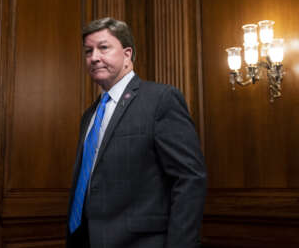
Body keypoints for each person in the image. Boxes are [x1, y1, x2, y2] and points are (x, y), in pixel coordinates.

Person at [66, 17, 207, 248]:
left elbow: (190, 178)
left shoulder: (160, 99)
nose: (94, 57)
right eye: (88, 51)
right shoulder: (89, 115)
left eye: (103, 47)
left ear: (127, 54)